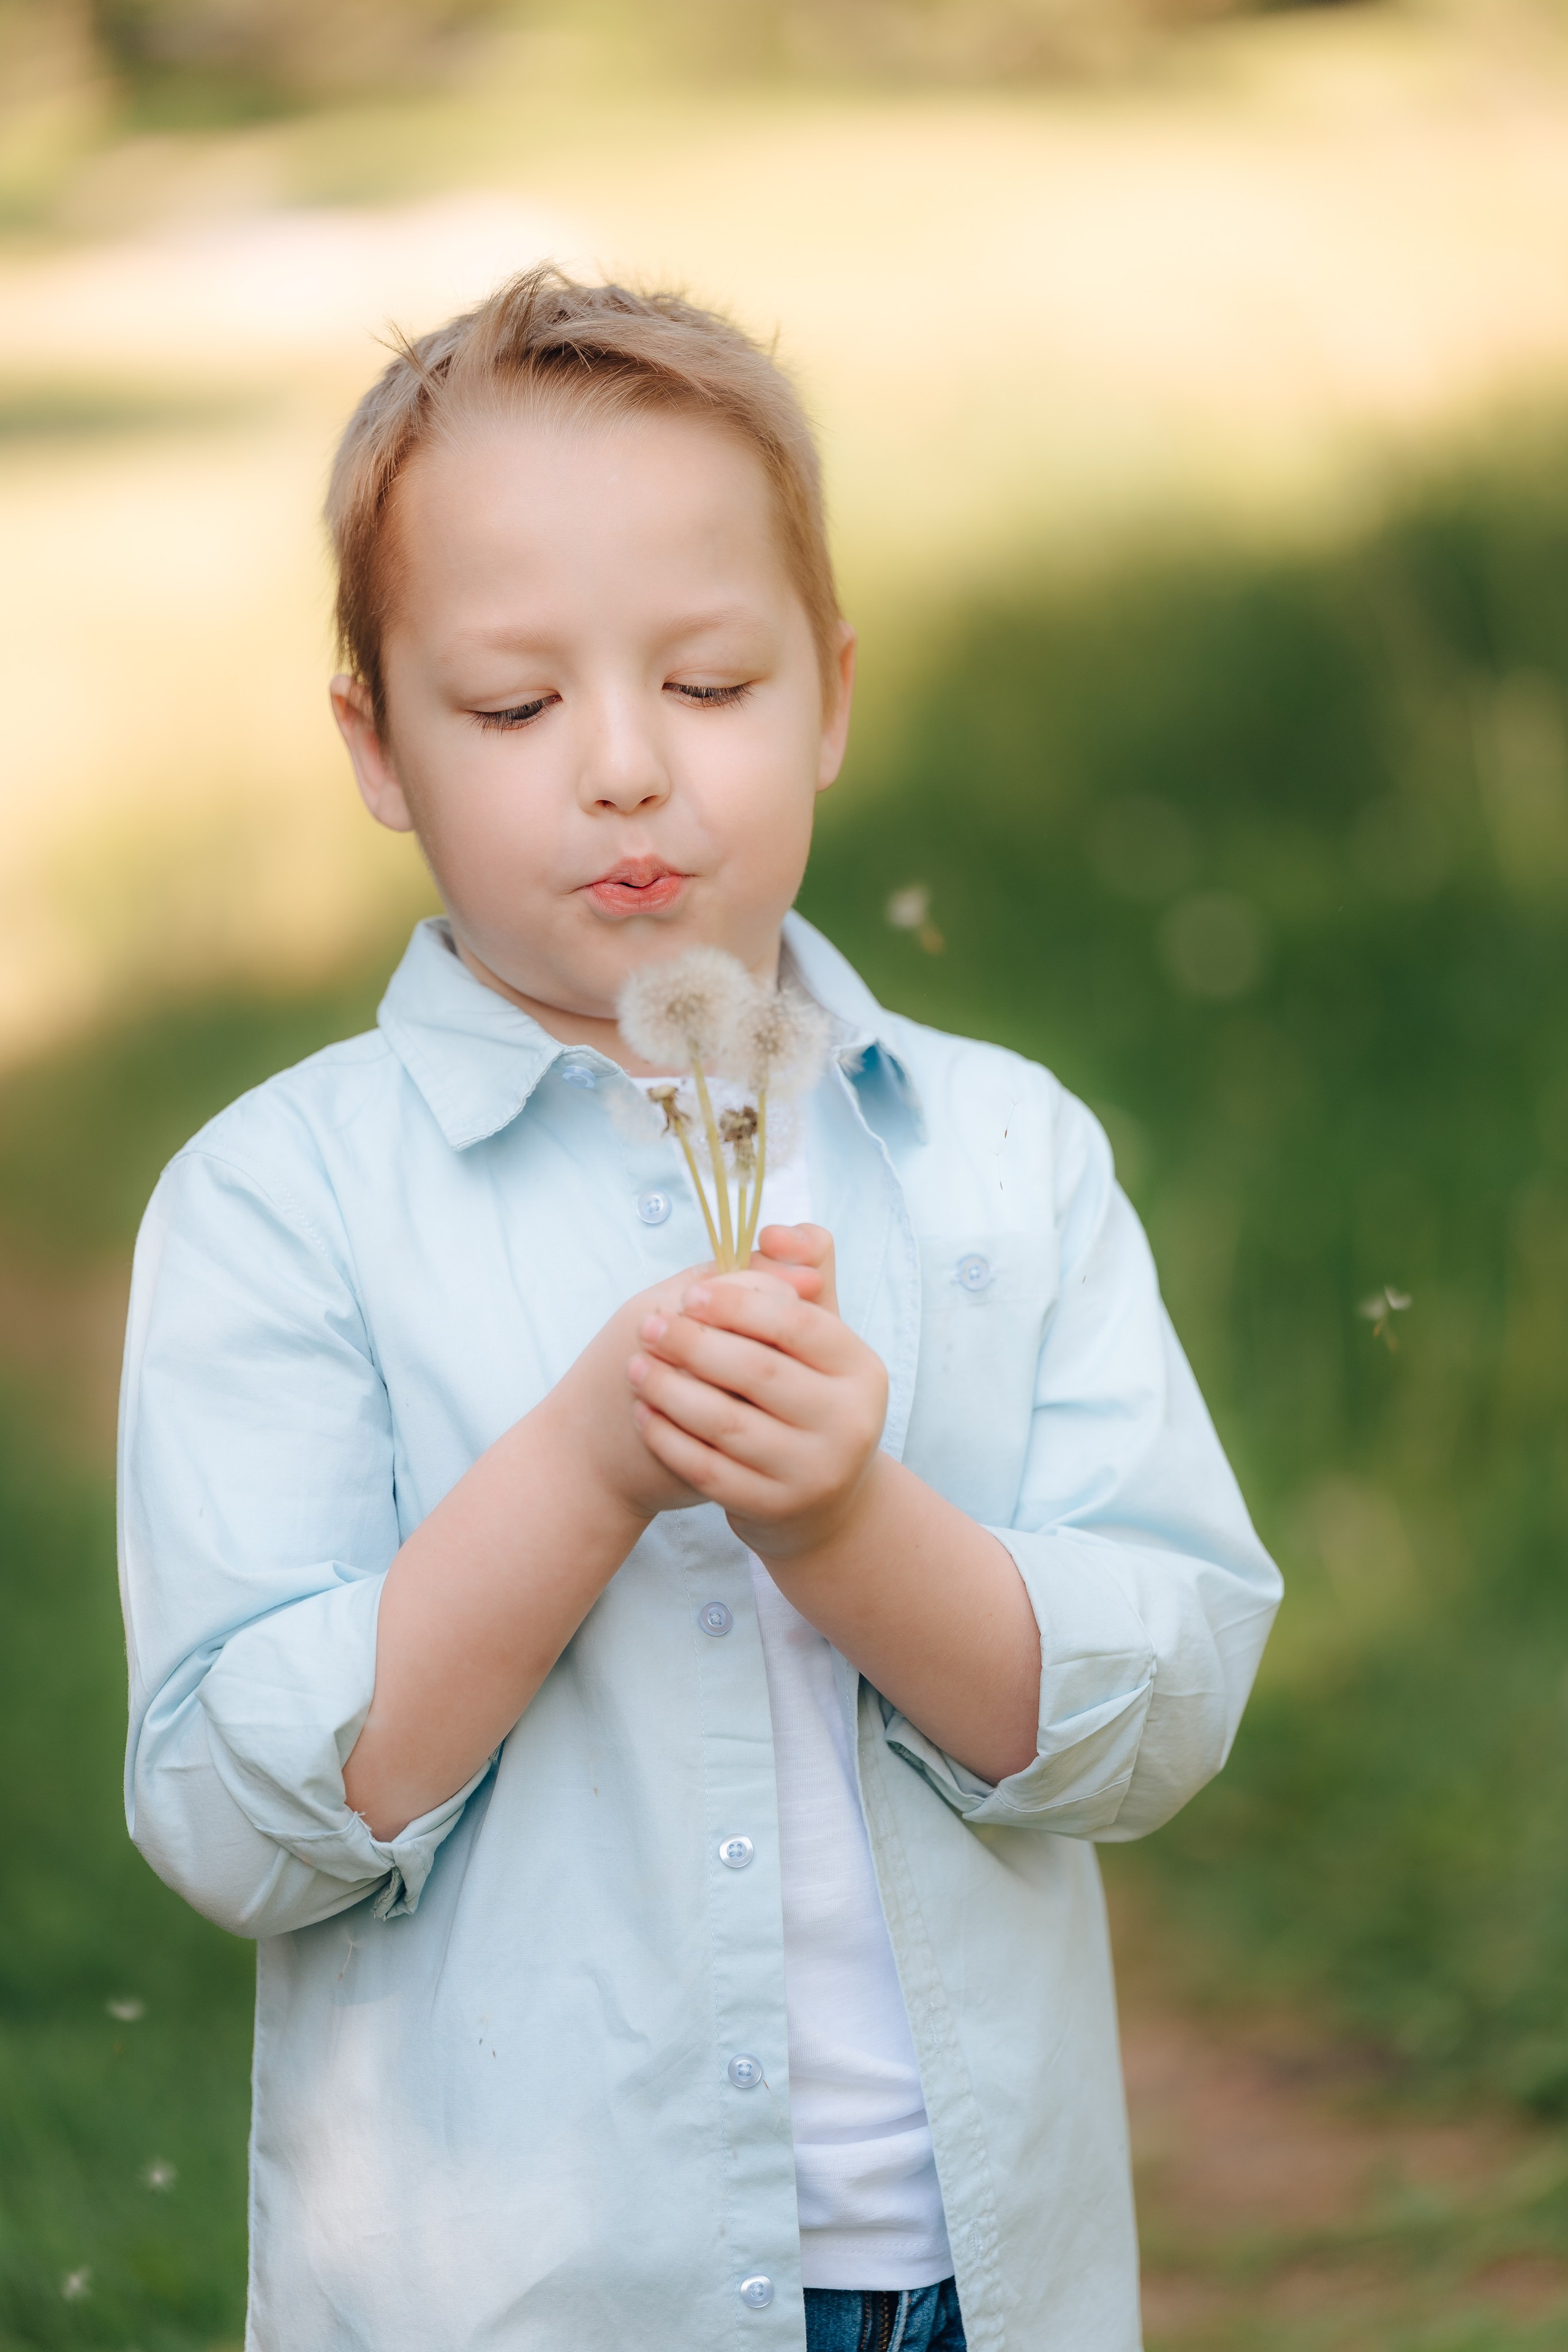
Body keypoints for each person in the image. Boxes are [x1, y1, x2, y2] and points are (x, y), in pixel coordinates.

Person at [118, 266, 1281, 2352]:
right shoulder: (278, 1206)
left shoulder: (1001, 1159)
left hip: (961, 2276)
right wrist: (581, 1468)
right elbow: (240, 1812)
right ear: (377, 747)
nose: (630, 769)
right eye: (513, 706)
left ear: (831, 694)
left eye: (713, 685)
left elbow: (1159, 1702)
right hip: (532, 2298)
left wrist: (850, 1529)